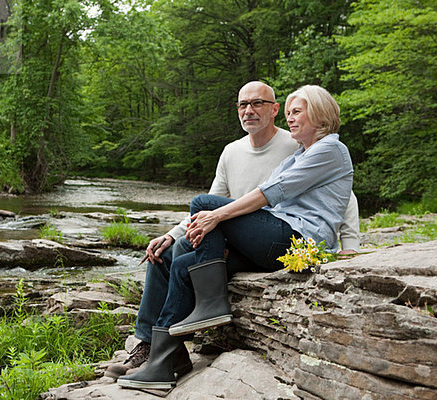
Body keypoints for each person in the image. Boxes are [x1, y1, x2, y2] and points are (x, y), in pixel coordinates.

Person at [105, 81, 359, 381]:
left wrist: (350, 245)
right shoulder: (293, 153)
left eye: (296, 112)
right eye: (289, 112)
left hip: (296, 239)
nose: (290, 117)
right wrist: (175, 234)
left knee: (202, 205)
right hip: (260, 235)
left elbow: (276, 192)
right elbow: (226, 205)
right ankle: (163, 359)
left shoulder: (327, 148)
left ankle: (212, 302)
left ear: (319, 113)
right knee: (178, 262)